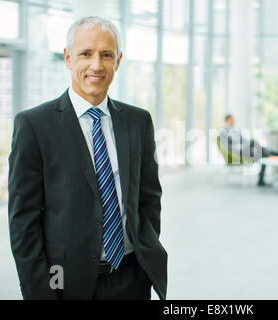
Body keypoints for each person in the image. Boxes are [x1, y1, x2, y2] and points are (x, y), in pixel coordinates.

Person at [8, 16, 167, 300]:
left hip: (131, 277)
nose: (96, 65)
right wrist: (40, 293)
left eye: (106, 55)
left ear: (118, 61)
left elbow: (148, 197)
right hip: (65, 282)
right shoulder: (35, 125)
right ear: (68, 58)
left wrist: (143, 254)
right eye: (86, 53)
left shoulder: (138, 121)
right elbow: (23, 221)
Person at [219, 114, 278, 186]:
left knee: (263, 154)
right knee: (253, 142)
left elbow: (244, 141)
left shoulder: (235, 130)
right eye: (231, 119)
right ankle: (273, 153)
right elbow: (226, 147)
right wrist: (245, 145)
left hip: (244, 149)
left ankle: (261, 180)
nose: (233, 121)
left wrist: (248, 145)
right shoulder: (223, 132)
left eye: (233, 119)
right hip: (236, 152)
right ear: (226, 120)